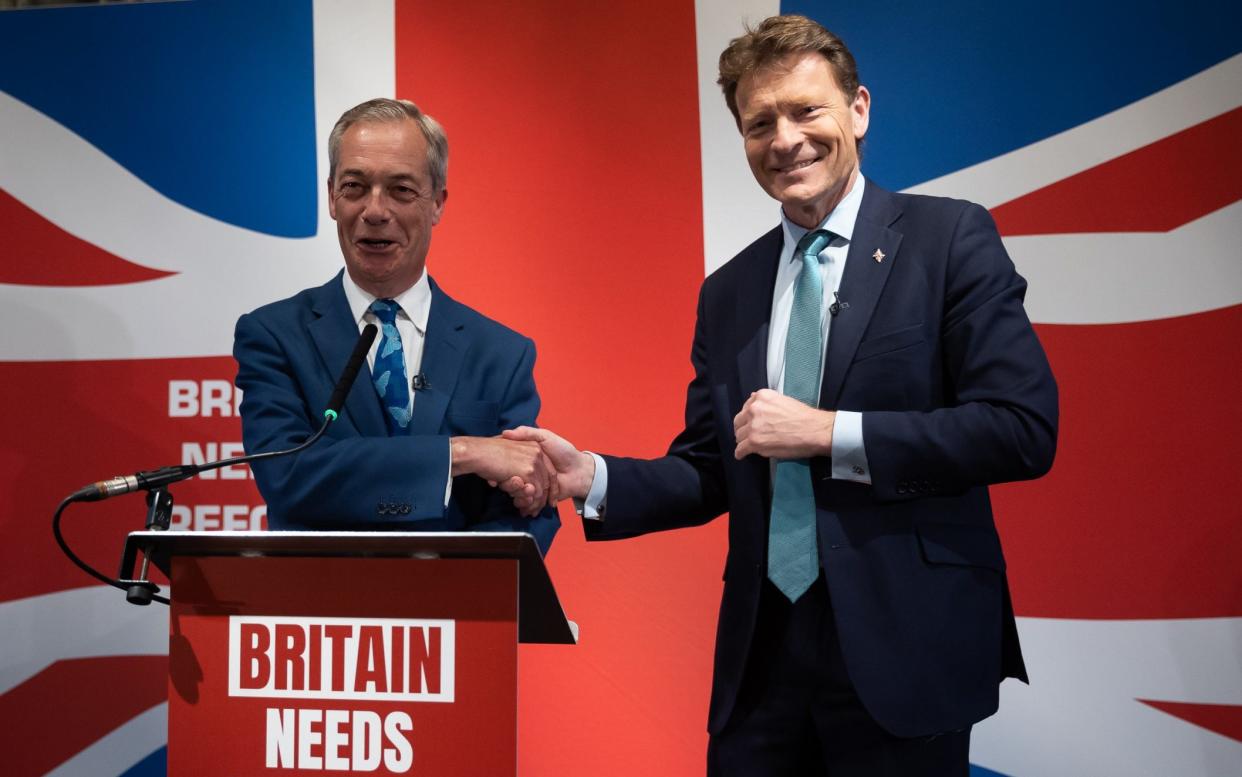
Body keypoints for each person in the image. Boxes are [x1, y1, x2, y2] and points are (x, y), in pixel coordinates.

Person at [506, 14, 1057, 774]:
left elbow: (1020, 428)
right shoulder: (728, 290)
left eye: (806, 110)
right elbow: (710, 465)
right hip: (763, 662)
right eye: (759, 122)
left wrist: (831, 432)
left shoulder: (950, 239)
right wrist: (588, 476)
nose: (785, 139)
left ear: (858, 110)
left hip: (906, 648)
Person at [234, 98, 558, 555]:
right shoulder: (274, 336)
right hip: (315, 613)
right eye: (354, 187)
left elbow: (529, 505)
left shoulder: (501, 353)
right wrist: (460, 453)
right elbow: (290, 476)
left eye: (401, 190)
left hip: (450, 612)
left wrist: (444, 590)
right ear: (331, 197)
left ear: (437, 204)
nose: (375, 210)